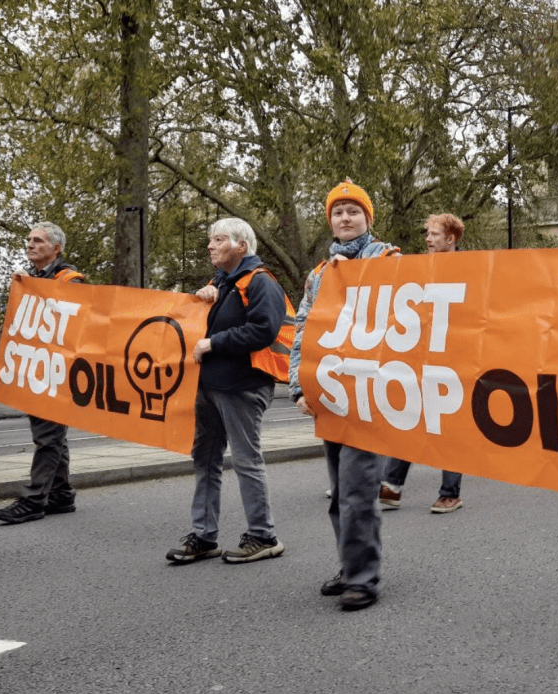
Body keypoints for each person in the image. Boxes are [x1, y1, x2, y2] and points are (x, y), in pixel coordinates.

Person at [289, 180, 400, 610]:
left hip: (370, 394)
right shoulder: (319, 274)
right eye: (338, 212)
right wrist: (300, 385)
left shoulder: (391, 262)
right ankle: (350, 564)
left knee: (357, 489)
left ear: (368, 219)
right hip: (332, 394)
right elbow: (304, 328)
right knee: (340, 493)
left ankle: (363, 578)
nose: (345, 218)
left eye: (354, 211)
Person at [166, 217, 288, 564]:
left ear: (241, 246)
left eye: (218, 240)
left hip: (242, 386)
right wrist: (201, 301)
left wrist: (213, 343)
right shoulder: (222, 283)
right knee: (204, 459)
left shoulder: (261, 283)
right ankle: (204, 537)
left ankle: (264, 535)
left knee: (246, 460)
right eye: (210, 240)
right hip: (210, 385)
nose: (210, 246)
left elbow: (264, 330)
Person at [0, 223, 85, 525]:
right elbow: (11, 329)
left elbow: (74, 324)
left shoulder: (71, 281)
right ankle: (61, 493)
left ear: (56, 249)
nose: (30, 244)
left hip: (56, 372)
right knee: (51, 435)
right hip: (34, 369)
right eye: (29, 240)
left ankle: (33, 500)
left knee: (48, 437)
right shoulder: (28, 281)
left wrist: (33, 289)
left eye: (38, 241)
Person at [379, 213, 466, 515]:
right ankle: (391, 487)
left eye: (434, 234)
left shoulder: (471, 270)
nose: (427, 239)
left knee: (448, 425)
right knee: (410, 415)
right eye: (426, 233)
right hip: (420, 356)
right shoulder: (419, 269)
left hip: (454, 359)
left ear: (451, 239)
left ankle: (450, 493)